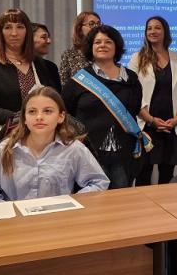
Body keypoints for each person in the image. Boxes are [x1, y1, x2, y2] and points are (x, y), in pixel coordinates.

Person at [0, 86, 109, 203]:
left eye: (47, 111)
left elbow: (98, 182)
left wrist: (72, 203)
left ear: (61, 116)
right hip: (16, 224)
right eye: (32, 111)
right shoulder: (6, 148)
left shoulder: (73, 149)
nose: (39, 117)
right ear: (24, 118)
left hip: (57, 222)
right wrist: (8, 211)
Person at [0, 9, 62, 168]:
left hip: (44, 143)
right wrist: (20, 119)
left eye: (20, 27)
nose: (14, 33)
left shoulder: (47, 67)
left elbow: (59, 103)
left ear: (27, 31)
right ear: (0, 32)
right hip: (2, 142)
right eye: (7, 27)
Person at [62, 25, 146, 189]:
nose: (102, 45)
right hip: (89, 154)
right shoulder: (78, 80)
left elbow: (135, 108)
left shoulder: (131, 78)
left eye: (108, 42)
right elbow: (66, 113)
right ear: (91, 47)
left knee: (122, 202)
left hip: (124, 154)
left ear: (117, 47)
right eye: (97, 42)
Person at [128, 16, 177, 185]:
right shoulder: (137, 58)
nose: (153, 31)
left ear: (165, 32)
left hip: (172, 126)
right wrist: (150, 119)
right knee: (143, 172)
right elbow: (131, 93)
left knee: (167, 173)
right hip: (147, 125)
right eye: (149, 28)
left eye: (157, 28)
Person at [60, 11, 101, 87]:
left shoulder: (104, 51)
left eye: (98, 24)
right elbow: (64, 85)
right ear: (79, 29)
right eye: (91, 24)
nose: (96, 27)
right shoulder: (69, 55)